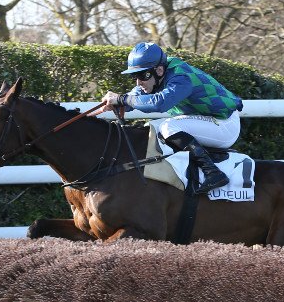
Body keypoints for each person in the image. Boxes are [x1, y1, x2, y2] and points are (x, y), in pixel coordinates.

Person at [101, 42, 243, 194]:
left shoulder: (181, 77)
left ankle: (213, 172)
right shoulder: (156, 76)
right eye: (135, 76)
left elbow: (159, 103)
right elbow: (134, 98)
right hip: (205, 120)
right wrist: (118, 104)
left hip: (224, 123)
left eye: (142, 75)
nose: (138, 81)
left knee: (168, 127)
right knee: (152, 128)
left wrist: (122, 99)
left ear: (159, 70)